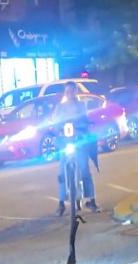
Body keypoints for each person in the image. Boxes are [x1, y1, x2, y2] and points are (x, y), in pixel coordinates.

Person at [53, 83, 98, 216]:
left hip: (79, 141)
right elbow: (54, 121)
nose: (69, 94)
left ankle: (91, 200)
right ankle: (61, 203)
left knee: (84, 169)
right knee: (61, 171)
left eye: (71, 91)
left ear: (75, 92)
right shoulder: (59, 107)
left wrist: (84, 125)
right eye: (67, 91)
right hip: (65, 142)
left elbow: (85, 120)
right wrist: (56, 127)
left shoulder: (81, 106)